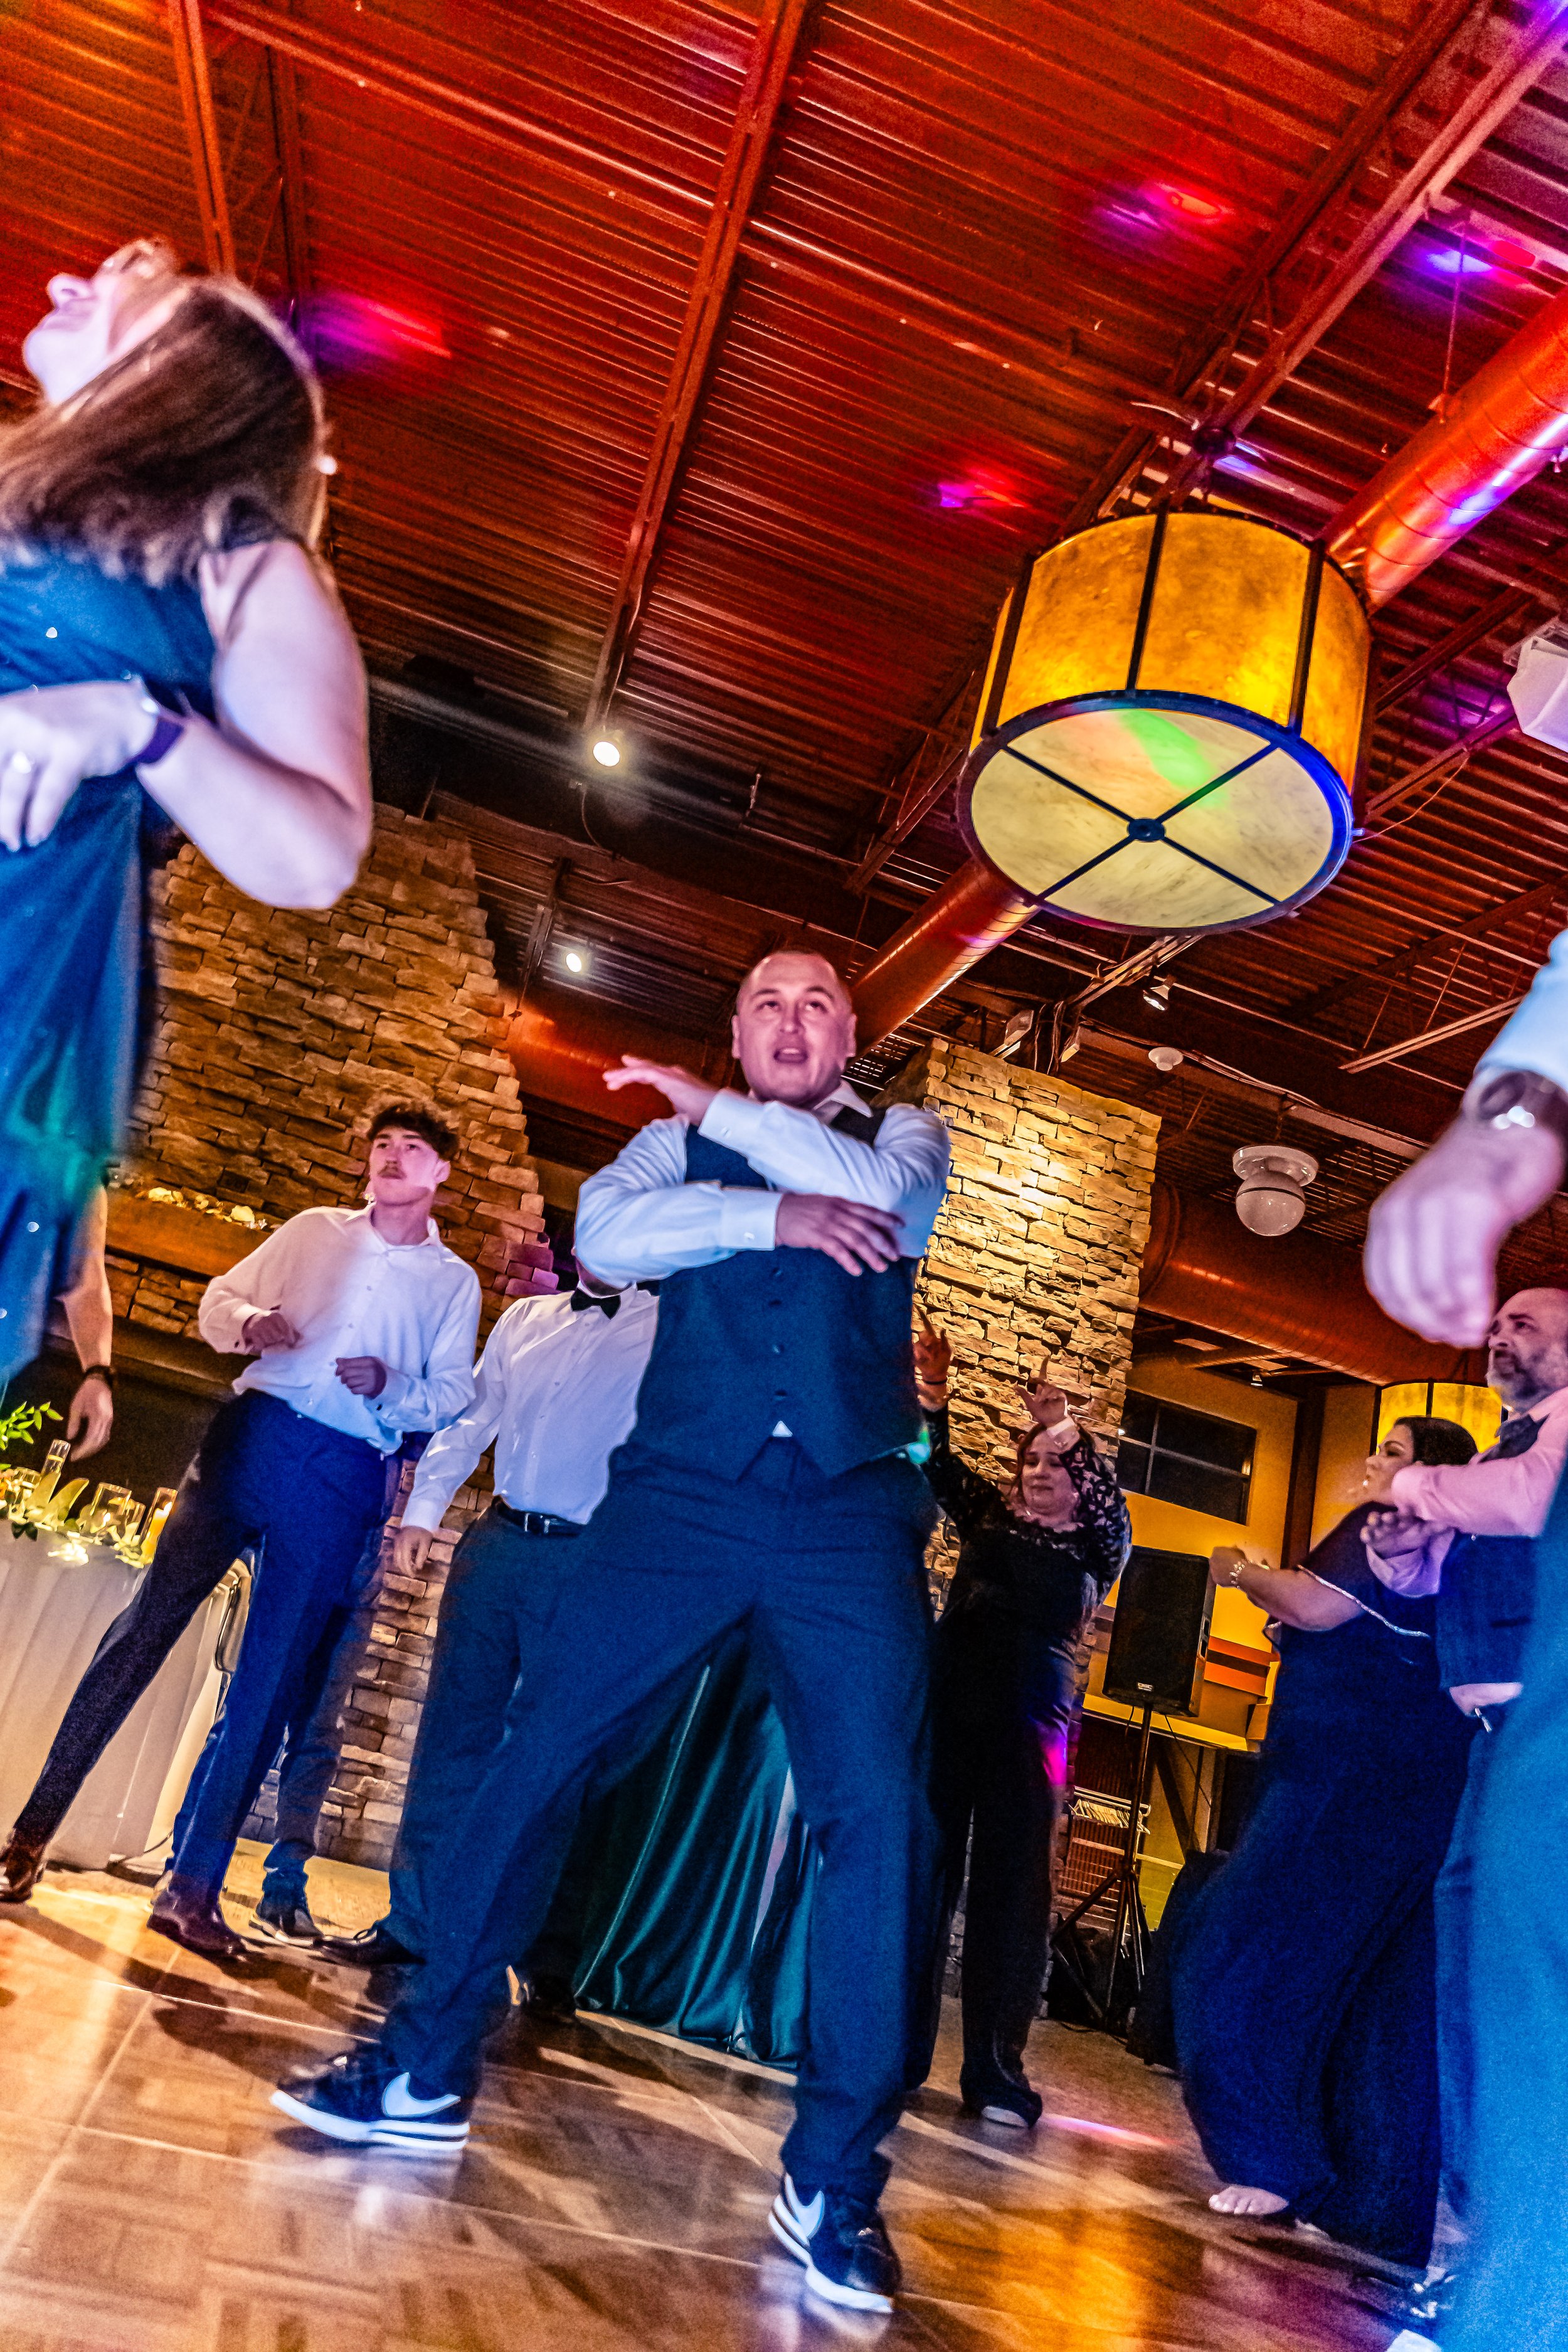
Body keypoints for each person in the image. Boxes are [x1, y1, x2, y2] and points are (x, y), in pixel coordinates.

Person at [272, 949, 951, 2319]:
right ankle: (419, 2068)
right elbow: (607, 1244)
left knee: (881, 1826)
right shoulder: (658, 1148)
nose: (789, 1018)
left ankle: (833, 2179)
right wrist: (765, 1218)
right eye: (762, 999)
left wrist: (726, 1118)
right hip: (672, 1505)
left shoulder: (908, 1135)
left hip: (849, 1516)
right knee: (537, 1761)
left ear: (851, 1037)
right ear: (737, 1024)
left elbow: (888, 1208)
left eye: (816, 1003)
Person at [0, 236, 370, 1383]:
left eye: (120, 285)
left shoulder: (238, 555)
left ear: (196, 373)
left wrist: (136, 724)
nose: (70, 281)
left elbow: (318, 853)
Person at [0, 1104, 480, 1949]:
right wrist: (249, 1324)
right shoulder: (311, 1231)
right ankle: (26, 1838)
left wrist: (394, 1384)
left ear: (440, 1173)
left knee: (264, 1687)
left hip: (342, 1476)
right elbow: (218, 1303)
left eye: (411, 1149)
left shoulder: (453, 1283)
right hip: (250, 1437)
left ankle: (190, 1887)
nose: (390, 1158)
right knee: (139, 1634)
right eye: (380, 1145)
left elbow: (452, 1396)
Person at [1367, 971, 1568, 2352]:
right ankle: (1490, 2266)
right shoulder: (1508, 1440)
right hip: (1499, 1743)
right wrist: (1490, 1144)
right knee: (1488, 1985)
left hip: (1528, 1745)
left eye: (1526, 1325)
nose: (1503, 1335)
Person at [1168, 1414, 1477, 2267]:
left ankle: (1269, 2159)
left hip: (1348, 1784)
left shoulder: (1390, 1522)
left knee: (1239, 1953)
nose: (1374, 1463)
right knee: (1378, 1999)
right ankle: (1371, 2203)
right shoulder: (1438, 1539)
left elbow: (1311, 1602)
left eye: (1394, 1451)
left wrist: (1238, 1569)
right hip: (1413, 1788)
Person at [324, 1258, 659, 1971]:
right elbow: (468, 1422)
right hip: (498, 1545)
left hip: (590, 1561)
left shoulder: (669, 1332)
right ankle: (413, 1926)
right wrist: (422, 1515)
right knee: (450, 1738)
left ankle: (511, 1951)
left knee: (550, 1759)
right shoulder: (524, 1319)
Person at [908, 1313, 1129, 2127]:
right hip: (950, 1702)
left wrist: (1061, 1423)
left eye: (1054, 1464)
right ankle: (891, 2053)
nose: (1039, 1471)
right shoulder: (991, 1520)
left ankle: (996, 2071)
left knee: (1011, 1894)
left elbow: (1105, 1495)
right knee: (922, 1872)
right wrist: (934, 1394)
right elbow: (932, 1463)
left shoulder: (1100, 1545)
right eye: (1030, 1460)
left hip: (1029, 1729)